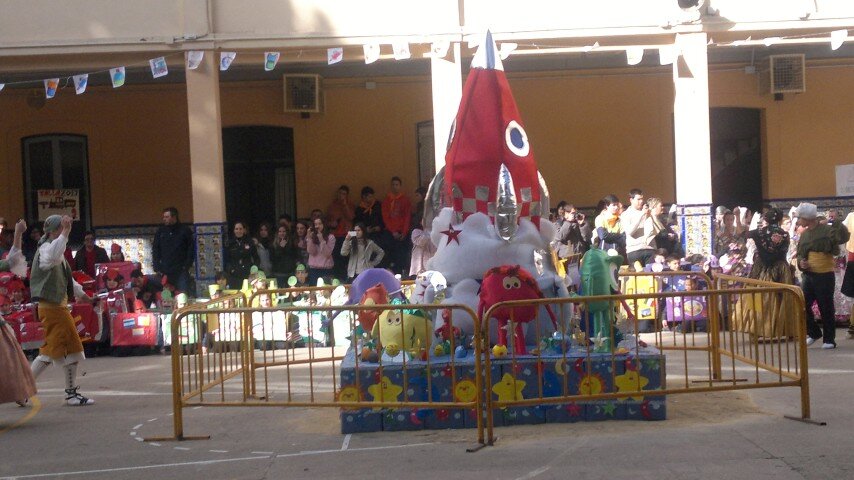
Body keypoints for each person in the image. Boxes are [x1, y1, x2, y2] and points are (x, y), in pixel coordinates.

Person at [28, 215, 96, 406]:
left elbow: (70, 282)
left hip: (54, 309)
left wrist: (87, 298)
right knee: (72, 349)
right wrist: (66, 233)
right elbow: (53, 255)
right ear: (52, 231)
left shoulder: (56, 253)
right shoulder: (46, 250)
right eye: (60, 228)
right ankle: (71, 394)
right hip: (54, 310)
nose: (63, 232)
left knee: (49, 353)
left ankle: (24, 389)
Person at [796, 202, 850, 349]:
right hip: (808, 275)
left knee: (825, 306)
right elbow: (800, 253)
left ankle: (829, 339)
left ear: (807, 218)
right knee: (801, 304)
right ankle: (813, 332)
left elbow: (843, 237)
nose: (799, 221)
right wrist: (802, 263)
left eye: (800, 218)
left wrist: (836, 222)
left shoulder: (827, 230)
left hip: (825, 274)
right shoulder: (805, 234)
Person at [744, 208, 795, 339]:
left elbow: (743, 234)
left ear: (765, 219)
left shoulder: (758, 232)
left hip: (762, 267)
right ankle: (782, 329)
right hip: (781, 268)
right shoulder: (784, 234)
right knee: (782, 298)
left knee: (760, 297)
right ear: (779, 220)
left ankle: (759, 329)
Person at [153, 207, 195, 293]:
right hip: (165, 271)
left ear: (174, 217)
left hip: (181, 270)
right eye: (164, 217)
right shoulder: (161, 232)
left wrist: (186, 265)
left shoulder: (184, 231)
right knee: (167, 296)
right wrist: (157, 266)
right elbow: (156, 249)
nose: (164, 219)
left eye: (167, 217)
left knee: (182, 294)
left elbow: (191, 249)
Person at [381, 176, 413, 275]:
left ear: (400, 186)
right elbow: (385, 217)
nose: (395, 187)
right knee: (389, 253)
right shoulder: (387, 200)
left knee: (401, 254)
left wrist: (404, 232)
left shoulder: (405, 200)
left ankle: (402, 273)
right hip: (390, 232)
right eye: (393, 185)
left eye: (397, 185)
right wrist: (393, 231)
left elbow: (407, 217)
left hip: (401, 232)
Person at [621, 188, 657, 268]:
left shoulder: (647, 211)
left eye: (642, 199)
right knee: (636, 277)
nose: (641, 201)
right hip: (634, 250)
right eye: (638, 199)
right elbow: (630, 231)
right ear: (631, 200)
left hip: (649, 249)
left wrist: (652, 215)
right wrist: (641, 215)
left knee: (651, 277)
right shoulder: (626, 214)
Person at [326, 185, 355, 280]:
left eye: (344, 194)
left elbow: (351, 217)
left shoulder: (350, 204)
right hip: (336, 236)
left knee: (348, 259)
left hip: (347, 236)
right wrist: (332, 223)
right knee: (337, 260)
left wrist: (345, 205)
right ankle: (338, 280)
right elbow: (327, 221)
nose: (341, 195)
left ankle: (349, 280)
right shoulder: (332, 206)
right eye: (340, 193)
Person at [225, 221, 259, 289]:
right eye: (236, 229)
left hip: (247, 273)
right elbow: (227, 260)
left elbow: (256, 258)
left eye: (240, 229)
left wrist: (253, 270)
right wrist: (231, 269)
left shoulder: (250, 242)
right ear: (234, 230)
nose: (238, 231)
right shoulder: (230, 243)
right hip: (234, 275)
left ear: (244, 230)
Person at [306, 217, 336, 285]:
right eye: (315, 224)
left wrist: (321, 240)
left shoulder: (331, 237)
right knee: (313, 291)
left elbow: (327, 254)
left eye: (320, 224)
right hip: (314, 269)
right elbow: (311, 252)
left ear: (324, 225)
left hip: (326, 269)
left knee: (326, 292)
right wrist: (309, 238)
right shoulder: (311, 236)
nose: (317, 226)